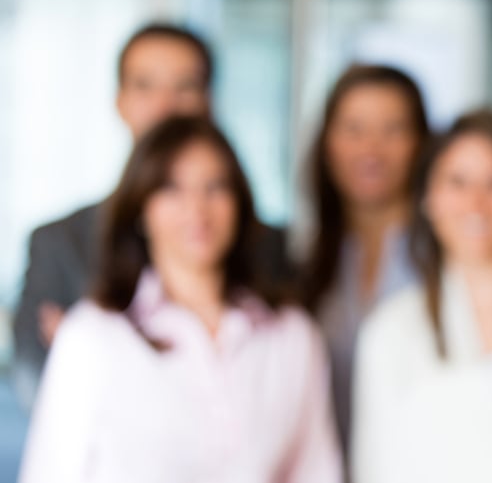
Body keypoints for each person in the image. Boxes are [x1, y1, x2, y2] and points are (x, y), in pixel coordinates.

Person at [19, 116, 341, 483]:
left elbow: (317, 472)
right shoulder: (92, 336)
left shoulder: (291, 335)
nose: (197, 208)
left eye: (215, 187)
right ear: (141, 207)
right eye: (171, 188)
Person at [12, 22, 291, 409]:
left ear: (209, 101)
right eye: (145, 86)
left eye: (184, 87)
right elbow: (36, 381)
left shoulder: (264, 244)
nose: (164, 107)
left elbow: (279, 386)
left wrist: (93, 359)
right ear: (120, 101)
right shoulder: (58, 242)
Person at [352, 109, 492, 483]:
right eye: (458, 182)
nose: (477, 203)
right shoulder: (391, 328)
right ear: (427, 198)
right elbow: (374, 468)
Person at [298, 64, 431, 457]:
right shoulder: (305, 258)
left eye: (393, 130)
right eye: (353, 129)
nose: (371, 149)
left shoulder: (444, 256)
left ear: (421, 143)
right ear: (327, 144)